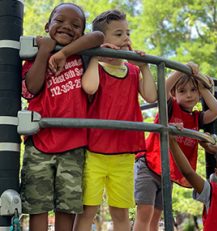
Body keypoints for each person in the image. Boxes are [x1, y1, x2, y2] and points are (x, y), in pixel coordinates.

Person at [20, 3, 104, 231]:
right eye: (59, 21)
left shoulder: (82, 56)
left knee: (66, 206)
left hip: (73, 145)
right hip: (39, 143)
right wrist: (46, 51)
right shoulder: (35, 55)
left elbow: (98, 36)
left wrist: (64, 53)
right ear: (47, 26)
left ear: (81, 33)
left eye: (75, 25)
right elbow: (32, 88)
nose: (67, 26)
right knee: (38, 204)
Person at [73, 10, 157, 231]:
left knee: (120, 213)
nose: (126, 38)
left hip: (124, 154)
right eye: (119, 34)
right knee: (87, 211)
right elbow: (89, 87)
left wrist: (144, 66)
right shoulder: (97, 68)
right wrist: (95, 56)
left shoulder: (131, 71)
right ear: (103, 41)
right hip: (95, 153)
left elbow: (150, 96)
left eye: (127, 33)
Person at [133, 63, 217, 231]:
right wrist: (182, 69)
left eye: (192, 90)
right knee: (145, 212)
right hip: (149, 165)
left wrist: (202, 87)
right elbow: (164, 88)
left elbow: (216, 110)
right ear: (174, 94)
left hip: (166, 172)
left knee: (156, 217)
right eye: (182, 91)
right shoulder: (170, 108)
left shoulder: (196, 118)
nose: (189, 95)